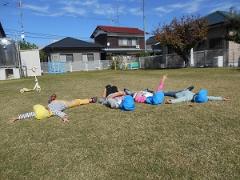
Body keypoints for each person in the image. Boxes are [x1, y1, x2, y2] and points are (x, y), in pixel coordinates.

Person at [10, 94, 97, 123]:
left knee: (50, 101)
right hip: (65, 104)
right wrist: (65, 118)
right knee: (77, 102)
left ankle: (52, 99)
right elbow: (61, 114)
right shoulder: (53, 111)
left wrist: (17, 117)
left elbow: (29, 114)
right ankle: (91, 100)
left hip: (54, 102)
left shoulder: (48, 106)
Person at [165, 88, 230, 104]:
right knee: (189, 89)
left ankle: (187, 89)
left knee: (167, 93)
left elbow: (181, 99)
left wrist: (172, 101)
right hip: (187, 91)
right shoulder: (203, 97)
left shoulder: (189, 97)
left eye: (198, 92)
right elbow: (211, 97)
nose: (198, 92)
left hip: (178, 93)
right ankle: (188, 89)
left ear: (197, 95)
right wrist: (222, 98)